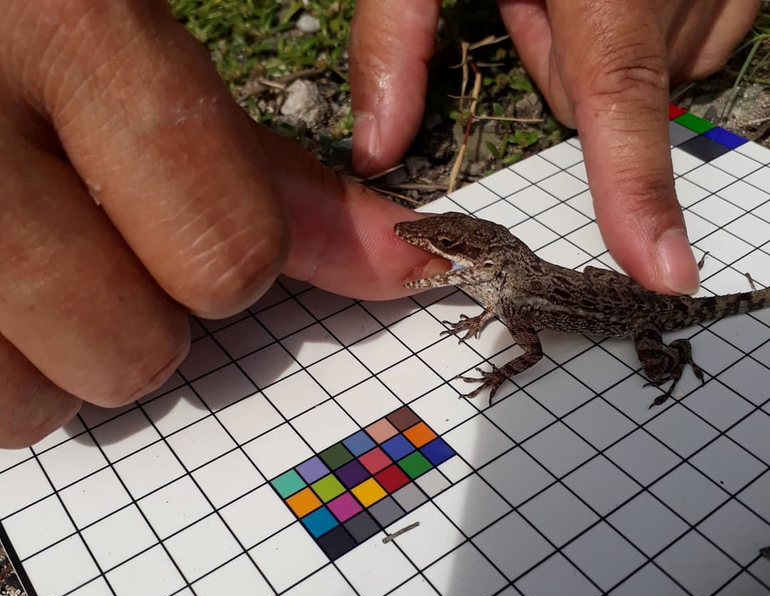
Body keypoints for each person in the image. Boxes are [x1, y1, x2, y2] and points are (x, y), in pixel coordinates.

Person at [0, 0, 758, 449]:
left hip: (644, 316)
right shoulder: (504, 276)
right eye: (449, 237)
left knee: (654, 335)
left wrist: (496, 362)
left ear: (484, 258)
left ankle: (679, 351)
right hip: (586, 290)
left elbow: (529, 351)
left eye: (453, 244)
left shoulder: (521, 303)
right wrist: (475, 312)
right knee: (602, 286)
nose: (435, 244)